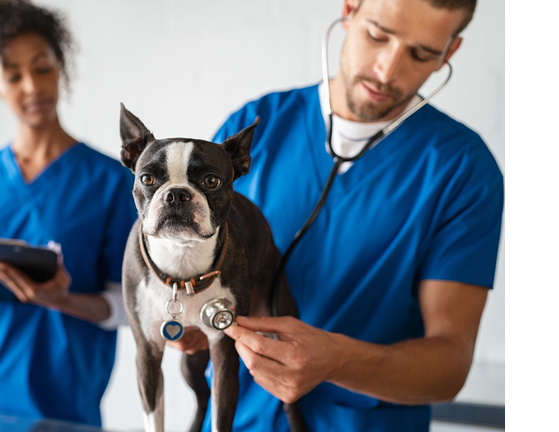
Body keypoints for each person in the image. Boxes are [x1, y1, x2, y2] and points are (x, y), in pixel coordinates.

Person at [171, 0, 503, 430]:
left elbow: (449, 365)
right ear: (349, 9)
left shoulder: (462, 169)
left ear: (449, 53)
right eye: (377, 35)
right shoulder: (255, 128)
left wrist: (338, 360)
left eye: (421, 54)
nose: (387, 70)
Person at [0, 0, 136, 426]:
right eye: (13, 75)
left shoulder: (111, 181)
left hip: (55, 408)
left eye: (42, 67)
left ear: (61, 67)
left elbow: (127, 307)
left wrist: (61, 299)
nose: (32, 87)